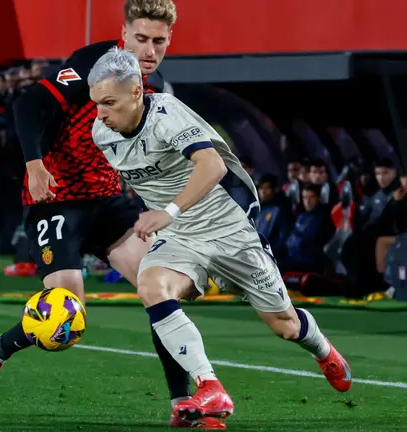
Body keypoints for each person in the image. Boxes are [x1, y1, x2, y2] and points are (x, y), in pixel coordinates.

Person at [0, 1, 222, 429]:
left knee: (161, 291)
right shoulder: (92, 63)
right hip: (57, 199)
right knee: (66, 313)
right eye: (141, 38)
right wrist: (34, 164)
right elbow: (30, 105)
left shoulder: (157, 88)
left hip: (109, 202)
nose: (149, 49)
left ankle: (185, 402)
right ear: (124, 31)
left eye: (159, 41)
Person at [86, 47, 351, 425]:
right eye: (96, 104)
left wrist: (168, 211)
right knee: (151, 286)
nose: (101, 114)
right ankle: (209, 385)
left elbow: (212, 167)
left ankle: (323, 349)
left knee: (285, 326)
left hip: (229, 228)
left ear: (136, 93)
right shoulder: (102, 133)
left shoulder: (166, 115)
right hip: (180, 236)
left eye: (109, 103)